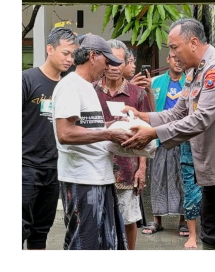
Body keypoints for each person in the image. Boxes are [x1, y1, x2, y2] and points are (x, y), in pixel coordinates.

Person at [124, 18, 215, 248]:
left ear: (193, 42)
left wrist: (153, 133)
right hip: (214, 173)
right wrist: (141, 116)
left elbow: (200, 119)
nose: (173, 55)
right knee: (212, 236)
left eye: (174, 48)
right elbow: (177, 113)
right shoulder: (195, 72)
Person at [52, 34, 132, 249]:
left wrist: (112, 126)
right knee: (84, 245)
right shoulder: (71, 85)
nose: (108, 67)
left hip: (99, 177)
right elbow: (65, 133)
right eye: (106, 61)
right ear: (92, 56)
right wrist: (108, 135)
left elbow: (86, 127)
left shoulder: (88, 86)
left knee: (104, 244)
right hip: (82, 179)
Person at [22, 26, 78, 249]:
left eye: (73, 55)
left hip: (55, 168)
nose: (69, 59)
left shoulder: (69, 85)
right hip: (25, 166)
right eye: (65, 53)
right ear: (49, 49)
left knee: (41, 231)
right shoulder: (26, 80)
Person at [94, 41, 149, 250]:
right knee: (98, 219)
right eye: (110, 61)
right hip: (97, 166)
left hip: (128, 168)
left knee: (128, 219)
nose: (114, 67)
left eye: (119, 62)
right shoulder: (91, 90)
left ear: (126, 63)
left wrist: (142, 168)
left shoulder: (137, 94)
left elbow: (146, 132)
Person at [144, 52, 187, 237]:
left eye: (180, 59)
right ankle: (157, 220)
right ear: (168, 59)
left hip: (184, 138)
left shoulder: (191, 81)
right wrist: (147, 91)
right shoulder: (155, 82)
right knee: (157, 178)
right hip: (160, 137)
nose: (177, 62)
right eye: (174, 58)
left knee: (183, 179)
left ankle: (184, 221)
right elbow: (151, 111)